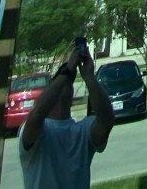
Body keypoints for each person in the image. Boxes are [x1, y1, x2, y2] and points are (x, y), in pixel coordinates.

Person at [19, 42, 114, 189]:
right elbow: (36, 115)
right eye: (61, 78)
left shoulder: (83, 131)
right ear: (51, 90)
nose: (66, 81)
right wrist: (68, 70)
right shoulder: (40, 129)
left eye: (69, 80)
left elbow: (106, 120)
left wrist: (89, 76)